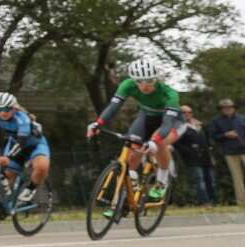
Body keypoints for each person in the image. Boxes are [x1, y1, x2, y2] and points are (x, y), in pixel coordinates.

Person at [86, 59, 184, 202]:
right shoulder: (127, 85)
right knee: (131, 147)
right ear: (133, 80)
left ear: (156, 78)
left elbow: (167, 123)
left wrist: (154, 140)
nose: (145, 85)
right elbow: (113, 107)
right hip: (147, 117)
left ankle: (162, 181)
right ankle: (128, 192)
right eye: (139, 81)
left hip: (172, 121)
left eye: (150, 80)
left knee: (160, 141)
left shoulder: (170, 94)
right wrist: (98, 123)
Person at [173, 105, 214, 206]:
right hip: (192, 158)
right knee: (199, 180)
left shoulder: (199, 124)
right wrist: (190, 151)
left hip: (205, 156)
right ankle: (204, 202)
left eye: (190, 112)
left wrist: (209, 148)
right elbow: (177, 143)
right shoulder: (179, 126)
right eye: (184, 112)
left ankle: (213, 201)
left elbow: (208, 138)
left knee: (210, 179)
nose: (187, 114)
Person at [208, 98, 245, 205]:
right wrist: (225, 135)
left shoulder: (242, 118)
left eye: (229, 107)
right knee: (237, 177)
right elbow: (213, 136)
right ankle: (241, 201)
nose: (227, 109)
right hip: (230, 152)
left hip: (244, 149)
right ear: (221, 109)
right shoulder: (216, 121)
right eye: (224, 108)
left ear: (234, 108)